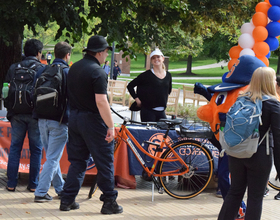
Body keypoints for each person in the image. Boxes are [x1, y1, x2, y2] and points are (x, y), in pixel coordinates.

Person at [59, 35, 123, 214]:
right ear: (101, 52)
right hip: (94, 122)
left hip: (75, 119)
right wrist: (110, 126)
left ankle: (67, 200)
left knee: (77, 162)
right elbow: (101, 102)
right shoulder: (98, 71)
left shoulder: (75, 68)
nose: (106, 56)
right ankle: (109, 201)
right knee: (104, 163)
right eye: (106, 53)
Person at [218, 67, 280, 220]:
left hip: (237, 152)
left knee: (235, 192)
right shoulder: (273, 104)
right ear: (269, 82)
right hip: (259, 155)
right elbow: (278, 139)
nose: (275, 81)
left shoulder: (241, 99)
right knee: (255, 197)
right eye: (273, 79)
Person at [33, 42, 72, 202]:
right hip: (60, 120)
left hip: (41, 119)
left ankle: (60, 188)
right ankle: (41, 192)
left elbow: (32, 94)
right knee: (53, 158)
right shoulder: (68, 72)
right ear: (67, 55)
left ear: (54, 53)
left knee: (51, 156)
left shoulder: (42, 70)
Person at [5, 39, 44, 192]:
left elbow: (6, 90)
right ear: (38, 53)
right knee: (36, 149)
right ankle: (33, 185)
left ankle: (11, 183)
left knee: (15, 148)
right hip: (35, 115)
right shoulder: (41, 68)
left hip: (16, 114)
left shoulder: (14, 68)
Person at [127, 48, 172, 122]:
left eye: (158, 57)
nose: (156, 59)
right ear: (151, 61)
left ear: (163, 58)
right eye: (153, 58)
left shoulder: (168, 75)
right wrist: (137, 100)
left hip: (161, 111)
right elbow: (130, 86)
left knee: (163, 132)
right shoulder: (146, 75)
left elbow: (168, 90)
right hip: (148, 111)